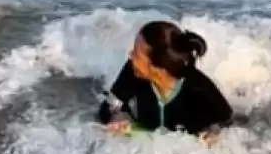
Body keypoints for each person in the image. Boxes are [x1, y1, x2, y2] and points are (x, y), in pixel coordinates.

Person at [98, 21, 235, 142]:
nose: (130, 56)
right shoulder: (132, 71)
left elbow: (226, 119)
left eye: (136, 54)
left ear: (157, 66)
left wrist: (213, 131)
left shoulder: (197, 87)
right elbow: (108, 106)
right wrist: (119, 116)